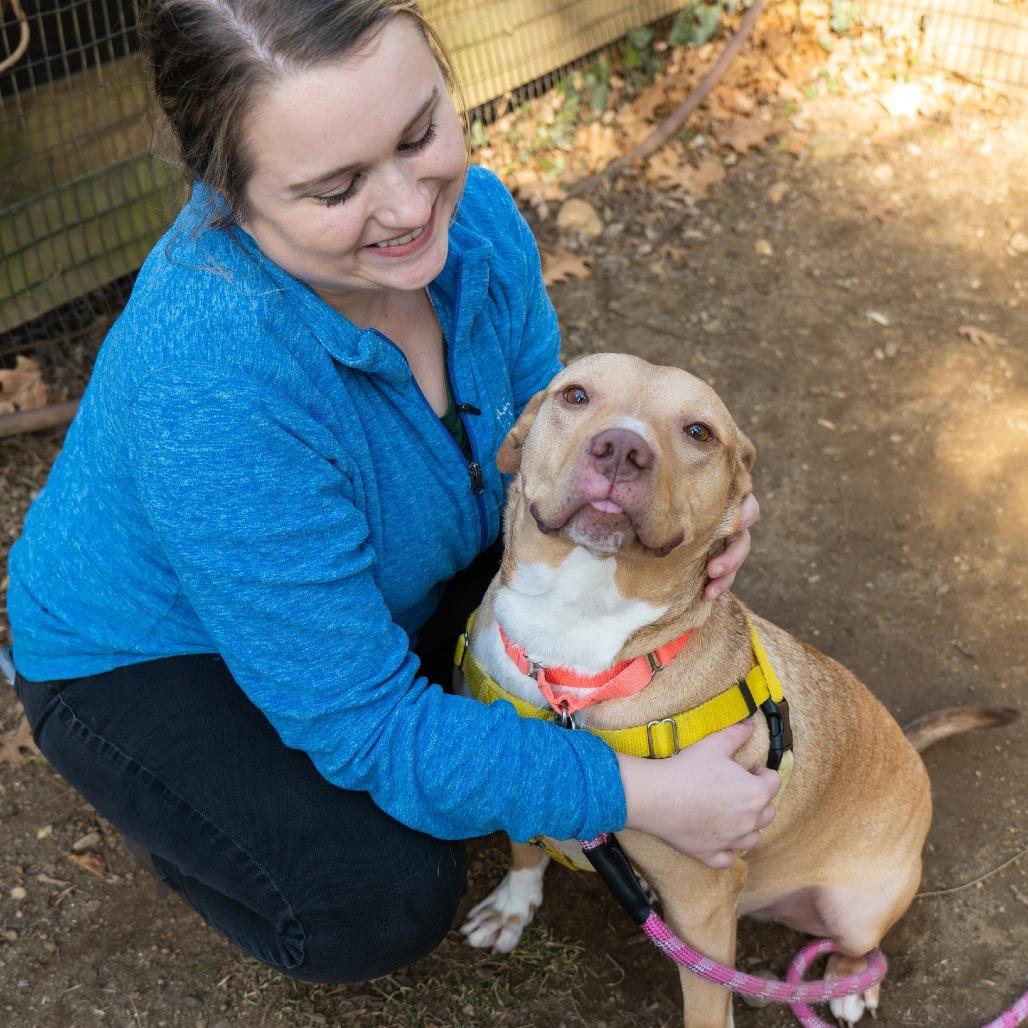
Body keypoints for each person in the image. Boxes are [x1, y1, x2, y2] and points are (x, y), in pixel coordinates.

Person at [7, 0, 772, 984]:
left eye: (418, 135)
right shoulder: (209, 372)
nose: (412, 208)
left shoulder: (477, 223)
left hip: (381, 580)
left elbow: (535, 452)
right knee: (379, 893)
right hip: (149, 655)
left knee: (637, 631)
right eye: (335, 188)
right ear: (225, 199)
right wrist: (634, 792)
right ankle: (190, 817)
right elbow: (366, 723)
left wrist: (677, 517)